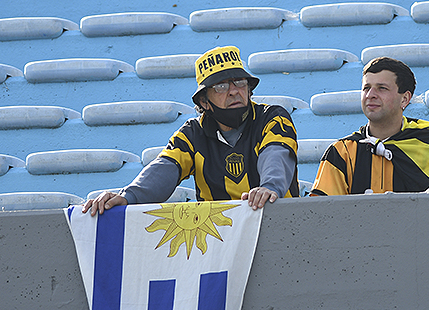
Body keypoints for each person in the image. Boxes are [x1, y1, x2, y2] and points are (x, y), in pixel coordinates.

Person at [83, 45, 300, 214]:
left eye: (240, 82)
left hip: (278, 228)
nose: (234, 91)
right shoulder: (192, 134)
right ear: (204, 102)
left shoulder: (272, 117)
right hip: (222, 240)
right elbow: (165, 168)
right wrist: (128, 196)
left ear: (249, 89)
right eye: (221, 86)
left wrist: (269, 187)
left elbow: (275, 154)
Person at [310, 56, 429, 196]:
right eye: (366, 88)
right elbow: (323, 214)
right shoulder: (341, 153)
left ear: (405, 99)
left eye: (382, 88)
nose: (370, 95)